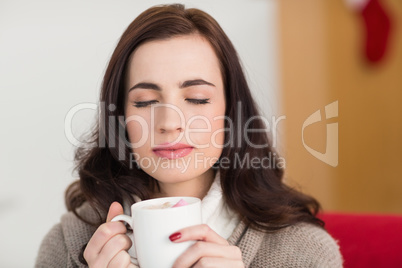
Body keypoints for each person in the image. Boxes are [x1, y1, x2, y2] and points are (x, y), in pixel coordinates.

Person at [36, 4, 343, 268]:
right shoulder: (67, 246)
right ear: (120, 119)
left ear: (231, 114)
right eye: (145, 101)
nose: (170, 122)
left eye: (196, 98)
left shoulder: (306, 252)